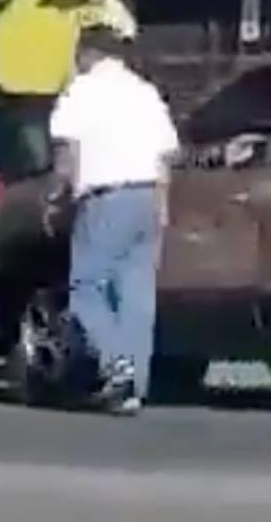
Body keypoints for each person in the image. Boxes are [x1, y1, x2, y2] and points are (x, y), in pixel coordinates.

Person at [46, 26, 179, 416]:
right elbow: (165, 155)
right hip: (148, 195)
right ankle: (134, 383)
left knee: (86, 285)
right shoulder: (145, 92)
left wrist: (56, 196)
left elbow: (67, 152)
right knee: (136, 291)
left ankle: (116, 364)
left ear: (88, 53)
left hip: (107, 198)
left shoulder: (81, 91)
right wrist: (163, 204)